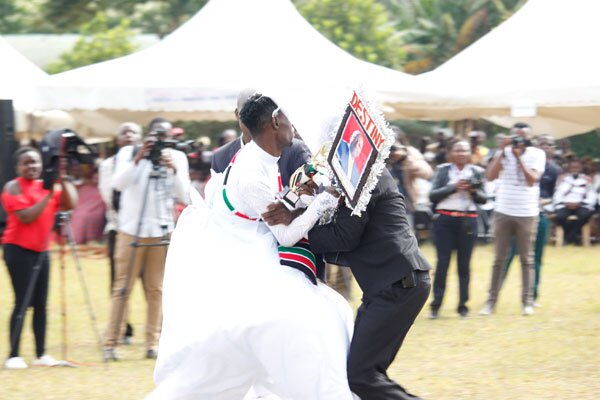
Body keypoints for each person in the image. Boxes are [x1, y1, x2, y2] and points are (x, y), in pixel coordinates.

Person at [148, 94, 354, 399]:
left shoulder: (263, 158)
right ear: (274, 122)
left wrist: (301, 196)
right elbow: (285, 235)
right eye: (288, 118)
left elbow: (277, 209)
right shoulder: (252, 172)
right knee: (318, 320)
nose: (293, 126)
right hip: (250, 263)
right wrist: (325, 199)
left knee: (330, 313)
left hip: (256, 252)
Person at [305, 169, 432, 400]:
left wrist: (297, 232)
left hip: (398, 284)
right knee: (360, 373)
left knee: (361, 375)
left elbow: (343, 236)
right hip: (387, 285)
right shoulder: (355, 176)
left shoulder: (364, 176)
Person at [102, 122, 190, 361]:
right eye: (157, 135)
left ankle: (152, 343)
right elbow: (118, 184)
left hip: (160, 228)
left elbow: (185, 195)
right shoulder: (128, 153)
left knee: (157, 289)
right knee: (122, 287)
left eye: (166, 135)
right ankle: (111, 343)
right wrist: (139, 158)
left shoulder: (177, 157)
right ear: (149, 135)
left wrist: (174, 171)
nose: (161, 139)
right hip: (131, 228)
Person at [2, 147, 77, 369]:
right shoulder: (12, 187)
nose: (32, 167)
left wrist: (62, 181)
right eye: (26, 163)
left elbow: (71, 203)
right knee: (23, 302)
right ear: (18, 167)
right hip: (17, 249)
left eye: (35, 162)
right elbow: (26, 216)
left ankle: (41, 354)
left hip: (42, 251)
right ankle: (13, 355)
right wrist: (47, 195)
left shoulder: (47, 186)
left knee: (41, 304)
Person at [480, 123, 546, 316]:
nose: (518, 140)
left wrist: (518, 159)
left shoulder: (537, 154)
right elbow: (490, 176)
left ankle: (527, 302)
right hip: (503, 210)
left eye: (522, 137)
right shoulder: (505, 152)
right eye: (515, 136)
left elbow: (531, 179)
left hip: (527, 213)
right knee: (499, 258)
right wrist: (502, 152)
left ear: (529, 138)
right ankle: (490, 302)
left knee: (526, 259)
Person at [428, 141, 487, 319]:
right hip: (445, 219)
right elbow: (432, 195)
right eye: (458, 150)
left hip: (468, 220)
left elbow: (484, 199)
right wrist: (454, 187)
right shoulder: (444, 170)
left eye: (465, 150)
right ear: (451, 152)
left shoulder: (476, 171)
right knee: (442, 263)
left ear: (470, 153)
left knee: (464, 265)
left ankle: (463, 305)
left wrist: (472, 191)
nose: (462, 153)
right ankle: (435, 306)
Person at [212, 89, 312, 191]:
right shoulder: (220, 157)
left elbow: (312, 193)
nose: (257, 118)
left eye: (263, 111)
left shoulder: (296, 149)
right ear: (238, 114)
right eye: (250, 111)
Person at [502, 135, 562, 304]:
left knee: (535, 258)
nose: (546, 147)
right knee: (507, 254)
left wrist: (543, 201)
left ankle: (531, 296)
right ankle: (495, 294)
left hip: (540, 214)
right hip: (518, 213)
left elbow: (555, 195)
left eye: (549, 144)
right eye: (542, 143)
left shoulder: (555, 169)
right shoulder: (520, 160)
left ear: (553, 149)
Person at [98, 122, 142, 344]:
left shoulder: (148, 162)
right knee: (121, 282)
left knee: (152, 283)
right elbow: (110, 194)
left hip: (147, 229)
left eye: (133, 132)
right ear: (118, 139)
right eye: (124, 131)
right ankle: (123, 327)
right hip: (120, 228)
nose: (128, 135)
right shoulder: (109, 164)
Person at [553, 159, 597, 244]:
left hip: (581, 204)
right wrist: (565, 203)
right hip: (565, 204)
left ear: (581, 168)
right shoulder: (563, 179)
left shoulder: (587, 179)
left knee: (584, 215)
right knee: (560, 216)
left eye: (577, 168)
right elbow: (557, 194)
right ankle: (574, 236)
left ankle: (569, 236)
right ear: (569, 169)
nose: (575, 170)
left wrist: (580, 203)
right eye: (572, 168)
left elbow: (592, 195)